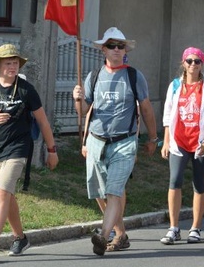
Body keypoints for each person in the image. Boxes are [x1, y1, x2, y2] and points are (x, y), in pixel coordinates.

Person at [73, 27, 157, 256]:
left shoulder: (133, 75)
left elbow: (146, 109)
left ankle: (103, 235)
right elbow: (84, 111)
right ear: (104, 49)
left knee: (114, 190)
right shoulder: (94, 76)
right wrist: (77, 99)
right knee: (101, 192)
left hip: (124, 142)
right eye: (112, 46)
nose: (117, 50)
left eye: (121, 46)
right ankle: (120, 234)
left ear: (125, 50)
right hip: (96, 141)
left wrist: (153, 137)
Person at [0, 44, 59, 263]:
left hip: (18, 148)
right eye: (8, 63)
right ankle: (20, 238)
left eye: (15, 63)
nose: (12, 67)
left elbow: (42, 121)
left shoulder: (26, 90)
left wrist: (52, 150)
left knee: (2, 193)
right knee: (8, 194)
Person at [160, 47, 204, 244]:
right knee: (175, 181)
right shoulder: (176, 85)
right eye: (189, 61)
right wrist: (166, 140)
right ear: (183, 63)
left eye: (197, 61)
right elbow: (168, 114)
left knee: (199, 183)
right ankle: (174, 227)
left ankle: (195, 228)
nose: (193, 64)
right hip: (179, 141)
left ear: (202, 64)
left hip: (202, 142)